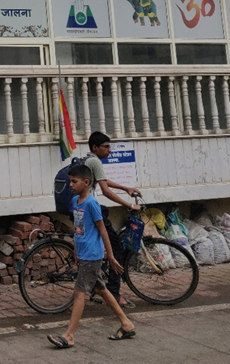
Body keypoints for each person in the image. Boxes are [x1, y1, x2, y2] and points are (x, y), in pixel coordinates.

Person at [47, 164, 136, 349]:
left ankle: (69, 335)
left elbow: (102, 229)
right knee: (101, 289)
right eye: (70, 181)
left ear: (86, 182)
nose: (70, 185)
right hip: (84, 253)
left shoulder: (91, 203)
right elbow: (79, 230)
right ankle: (126, 324)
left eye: (74, 181)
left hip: (93, 255)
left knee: (79, 293)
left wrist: (110, 256)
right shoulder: (75, 202)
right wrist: (75, 250)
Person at [85, 131, 142, 308]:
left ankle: (97, 284)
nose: (109, 150)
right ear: (95, 148)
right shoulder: (94, 160)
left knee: (102, 241)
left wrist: (125, 188)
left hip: (86, 208)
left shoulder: (89, 160)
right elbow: (105, 190)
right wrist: (129, 205)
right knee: (116, 247)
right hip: (90, 210)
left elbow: (104, 181)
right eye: (106, 147)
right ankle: (114, 293)